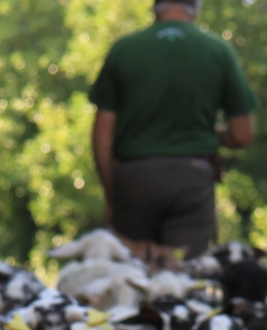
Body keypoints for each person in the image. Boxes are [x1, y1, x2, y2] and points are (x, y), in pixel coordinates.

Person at [89, 0, 258, 260]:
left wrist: (112, 196)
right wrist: (207, 131)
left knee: (131, 274)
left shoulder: (124, 50)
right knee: (185, 276)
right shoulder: (218, 50)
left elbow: (102, 136)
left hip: (135, 181)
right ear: (196, 7)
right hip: (191, 179)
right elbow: (242, 134)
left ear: (155, 6)